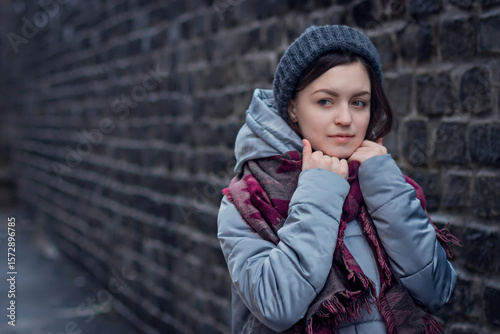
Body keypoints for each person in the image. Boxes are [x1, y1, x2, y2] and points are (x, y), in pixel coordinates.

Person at [217, 25, 459, 334]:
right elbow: (277, 305)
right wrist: (319, 191)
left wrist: (385, 188)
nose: (345, 118)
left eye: (358, 102)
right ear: (292, 107)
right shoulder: (248, 197)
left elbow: (436, 290)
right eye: (325, 101)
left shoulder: (381, 178)